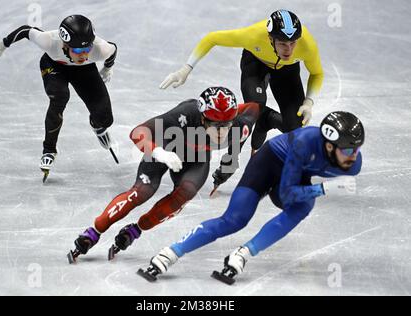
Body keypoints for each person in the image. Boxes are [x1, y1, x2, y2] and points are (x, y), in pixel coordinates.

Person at [138, 111, 364, 284]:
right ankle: (171, 252)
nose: (352, 156)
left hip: (296, 172)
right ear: (328, 145)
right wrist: (324, 189)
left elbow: (289, 194)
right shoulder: (304, 142)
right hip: (270, 162)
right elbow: (286, 192)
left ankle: (243, 253)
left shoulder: (352, 166)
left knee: (303, 206)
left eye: (355, 149)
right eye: (346, 150)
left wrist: (315, 190)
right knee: (235, 219)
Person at [67, 87, 259, 263]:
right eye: (216, 125)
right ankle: (95, 230)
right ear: (202, 118)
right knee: (142, 192)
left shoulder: (240, 127)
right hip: (167, 147)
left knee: (183, 196)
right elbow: (137, 132)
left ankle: (136, 229)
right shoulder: (186, 114)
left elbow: (254, 108)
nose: (222, 132)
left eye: (227, 124)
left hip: (197, 159)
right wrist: (159, 153)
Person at [160, 9, 324, 187]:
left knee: (295, 127)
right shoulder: (253, 35)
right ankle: (231, 160)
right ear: (270, 39)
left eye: (293, 43)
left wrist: (308, 102)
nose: (289, 49)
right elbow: (212, 38)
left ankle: (265, 122)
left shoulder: (307, 45)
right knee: (254, 108)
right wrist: (186, 68)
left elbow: (317, 73)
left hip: (287, 72)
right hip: (255, 63)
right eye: (283, 43)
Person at [0, 15, 118, 181]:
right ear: (65, 45)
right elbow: (25, 31)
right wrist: (1, 45)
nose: (84, 55)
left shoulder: (100, 49)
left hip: (85, 71)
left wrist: (107, 69)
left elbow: (113, 50)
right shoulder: (48, 41)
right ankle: (49, 149)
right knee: (59, 96)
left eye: (87, 49)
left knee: (105, 118)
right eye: (78, 51)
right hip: (54, 66)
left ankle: (97, 125)